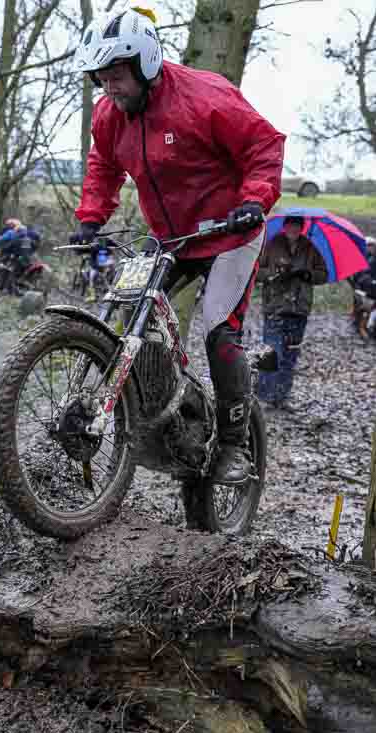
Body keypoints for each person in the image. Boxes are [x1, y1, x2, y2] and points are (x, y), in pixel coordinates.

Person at [70, 6, 285, 485]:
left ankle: (234, 446)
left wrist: (254, 200)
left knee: (217, 332)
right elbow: (103, 167)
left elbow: (264, 146)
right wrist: (89, 220)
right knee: (130, 312)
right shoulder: (109, 115)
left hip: (231, 232)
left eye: (118, 74)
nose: (110, 87)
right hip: (171, 236)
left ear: (146, 61)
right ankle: (158, 410)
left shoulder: (205, 95)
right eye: (101, 77)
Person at [256, 216, 327, 408]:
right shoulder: (271, 245)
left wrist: (307, 274)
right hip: (275, 307)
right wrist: (275, 274)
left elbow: (323, 274)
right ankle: (264, 396)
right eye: (290, 225)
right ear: (284, 226)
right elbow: (256, 271)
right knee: (272, 353)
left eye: (297, 226)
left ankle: (281, 396)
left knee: (290, 355)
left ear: (301, 227)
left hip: (299, 309)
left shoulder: (310, 247)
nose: (293, 229)